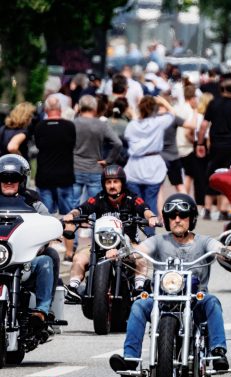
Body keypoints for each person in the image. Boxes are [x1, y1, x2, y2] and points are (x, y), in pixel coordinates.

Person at [108, 193, 231, 377]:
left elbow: (220, 248)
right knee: (138, 305)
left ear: (191, 219)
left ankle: (217, 353)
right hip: (162, 298)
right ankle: (131, 359)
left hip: (195, 298)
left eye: (182, 216)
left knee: (212, 302)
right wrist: (121, 252)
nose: (177, 220)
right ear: (167, 220)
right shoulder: (159, 241)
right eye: (172, 217)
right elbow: (139, 251)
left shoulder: (203, 241)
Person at [62, 165, 159, 299]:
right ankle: (73, 287)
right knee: (79, 258)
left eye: (115, 181)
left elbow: (144, 209)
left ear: (122, 183)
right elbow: (82, 208)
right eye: (108, 182)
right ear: (104, 184)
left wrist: (151, 217)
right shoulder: (99, 198)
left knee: (140, 256)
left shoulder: (131, 197)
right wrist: (71, 215)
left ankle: (139, 288)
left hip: (127, 245)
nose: (112, 185)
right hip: (100, 244)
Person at [0, 155, 55, 325]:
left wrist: (43, 242)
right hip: (2, 254)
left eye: (14, 178)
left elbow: (48, 221)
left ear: (22, 180)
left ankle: (42, 310)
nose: (9, 182)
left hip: (25, 258)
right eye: (4, 178)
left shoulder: (32, 200)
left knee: (48, 258)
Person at [197, 79, 231, 219]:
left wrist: (200, 143)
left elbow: (203, 126)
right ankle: (223, 210)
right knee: (229, 178)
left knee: (212, 175)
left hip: (215, 146)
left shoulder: (213, 104)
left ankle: (207, 209)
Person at [123, 96, 175, 225]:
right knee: (151, 202)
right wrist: (164, 101)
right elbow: (172, 115)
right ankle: (149, 235)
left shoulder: (133, 125)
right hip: (153, 164)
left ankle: (132, 234)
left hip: (135, 166)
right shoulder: (158, 122)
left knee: (134, 202)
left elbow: (128, 135)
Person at [73, 95, 123, 204]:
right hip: (95, 167)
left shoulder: (73, 124)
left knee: (73, 204)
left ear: (80, 107)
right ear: (95, 108)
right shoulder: (101, 125)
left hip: (75, 167)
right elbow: (118, 143)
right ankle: (93, 221)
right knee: (95, 204)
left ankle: (73, 221)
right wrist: (108, 160)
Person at [33, 95, 76, 215]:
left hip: (44, 176)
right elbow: (72, 145)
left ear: (46, 110)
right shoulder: (69, 126)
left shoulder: (39, 127)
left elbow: (38, 145)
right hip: (65, 176)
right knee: (69, 217)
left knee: (46, 217)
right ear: (60, 109)